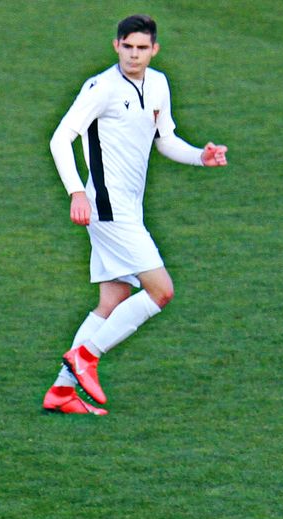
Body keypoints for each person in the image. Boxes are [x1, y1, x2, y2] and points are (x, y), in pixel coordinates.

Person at [42, 14, 228, 415]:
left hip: (129, 206)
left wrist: (201, 156)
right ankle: (86, 356)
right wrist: (77, 192)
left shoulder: (158, 84)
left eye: (142, 48)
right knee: (161, 291)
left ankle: (61, 391)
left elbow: (165, 139)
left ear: (154, 50)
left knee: (113, 299)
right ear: (116, 46)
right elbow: (60, 139)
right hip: (107, 207)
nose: (134, 54)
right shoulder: (101, 88)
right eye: (127, 46)